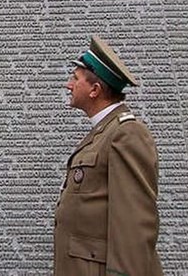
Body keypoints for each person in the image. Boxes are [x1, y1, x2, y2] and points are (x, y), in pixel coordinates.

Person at [54, 36, 162, 276]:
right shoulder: (104, 132)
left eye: (75, 78)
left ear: (95, 90)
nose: (68, 85)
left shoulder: (126, 134)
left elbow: (134, 223)